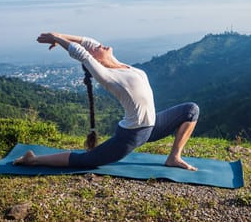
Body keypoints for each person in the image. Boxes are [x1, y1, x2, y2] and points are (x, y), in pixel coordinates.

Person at [14, 32, 199, 171]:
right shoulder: (108, 76)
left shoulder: (121, 65)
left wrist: (59, 35)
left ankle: (174, 157)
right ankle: (33, 160)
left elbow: (87, 42)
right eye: (97, 49)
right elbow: (82, 52)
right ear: (96, 60)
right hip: (132, 135)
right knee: (85, 161)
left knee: (191, 110)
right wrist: (56, 37)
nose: (100, 45)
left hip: (152, 126)